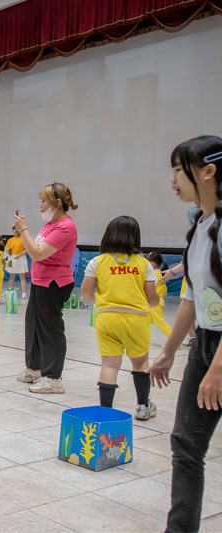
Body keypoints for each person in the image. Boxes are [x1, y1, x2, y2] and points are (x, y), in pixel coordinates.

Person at [147, 136, 222, 533]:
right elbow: (193, 295)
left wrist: (219, 368)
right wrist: (170, 351)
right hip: (206, 345)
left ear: (208, 172)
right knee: (186, 447)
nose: (173, 178)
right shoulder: (200, 223)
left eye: (179, 169)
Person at [80, 216, 158, 417]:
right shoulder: (144, 264)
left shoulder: (96, 262)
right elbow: (152, 299)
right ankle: (143, 407)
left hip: (107, 318)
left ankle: (106, 412)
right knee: (140, 363)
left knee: (109, 364)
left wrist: (101, 303)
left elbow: (86, 292)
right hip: (137, 319)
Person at [14, 183, 79, 394]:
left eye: (44, 201)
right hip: (40, 282)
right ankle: (35, 368)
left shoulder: (65, 226)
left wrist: (23, 229)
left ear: (57, 203)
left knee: (50, 329)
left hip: (54, 284)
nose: (40, 206)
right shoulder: (50, 225)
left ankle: (53, 377)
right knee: (33, 325)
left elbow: (38, 253)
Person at [147, 251, 173, 338]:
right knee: (145, 320)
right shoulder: (160, 274)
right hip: (154, 301)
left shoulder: (154, 275)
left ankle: (172, 338)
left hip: (155, 302)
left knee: (160, 322)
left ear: (152, 264)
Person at [5, 226, 29, 298]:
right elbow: (7, 250)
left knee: (22, 276)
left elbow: (27, 248)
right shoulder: (10, 240)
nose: (16, 230)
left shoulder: (23, 239)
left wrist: (20, 255)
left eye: (18, 229)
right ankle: (9, 291)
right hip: (12, 258)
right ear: (12, 230)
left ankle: (24, 292)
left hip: (21, 258)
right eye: (15, 229)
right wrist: (10, 259)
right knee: (11, 276)